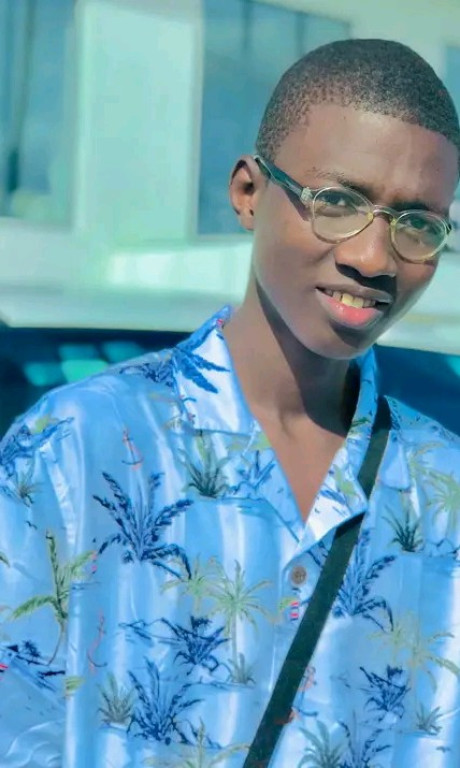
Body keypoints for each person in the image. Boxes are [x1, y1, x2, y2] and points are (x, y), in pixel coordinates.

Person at [1, 38, 460, 768]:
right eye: (337, 202)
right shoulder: (73, 451)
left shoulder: (443, 493)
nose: (373, 257)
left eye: (417, 224)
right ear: (249, 192)